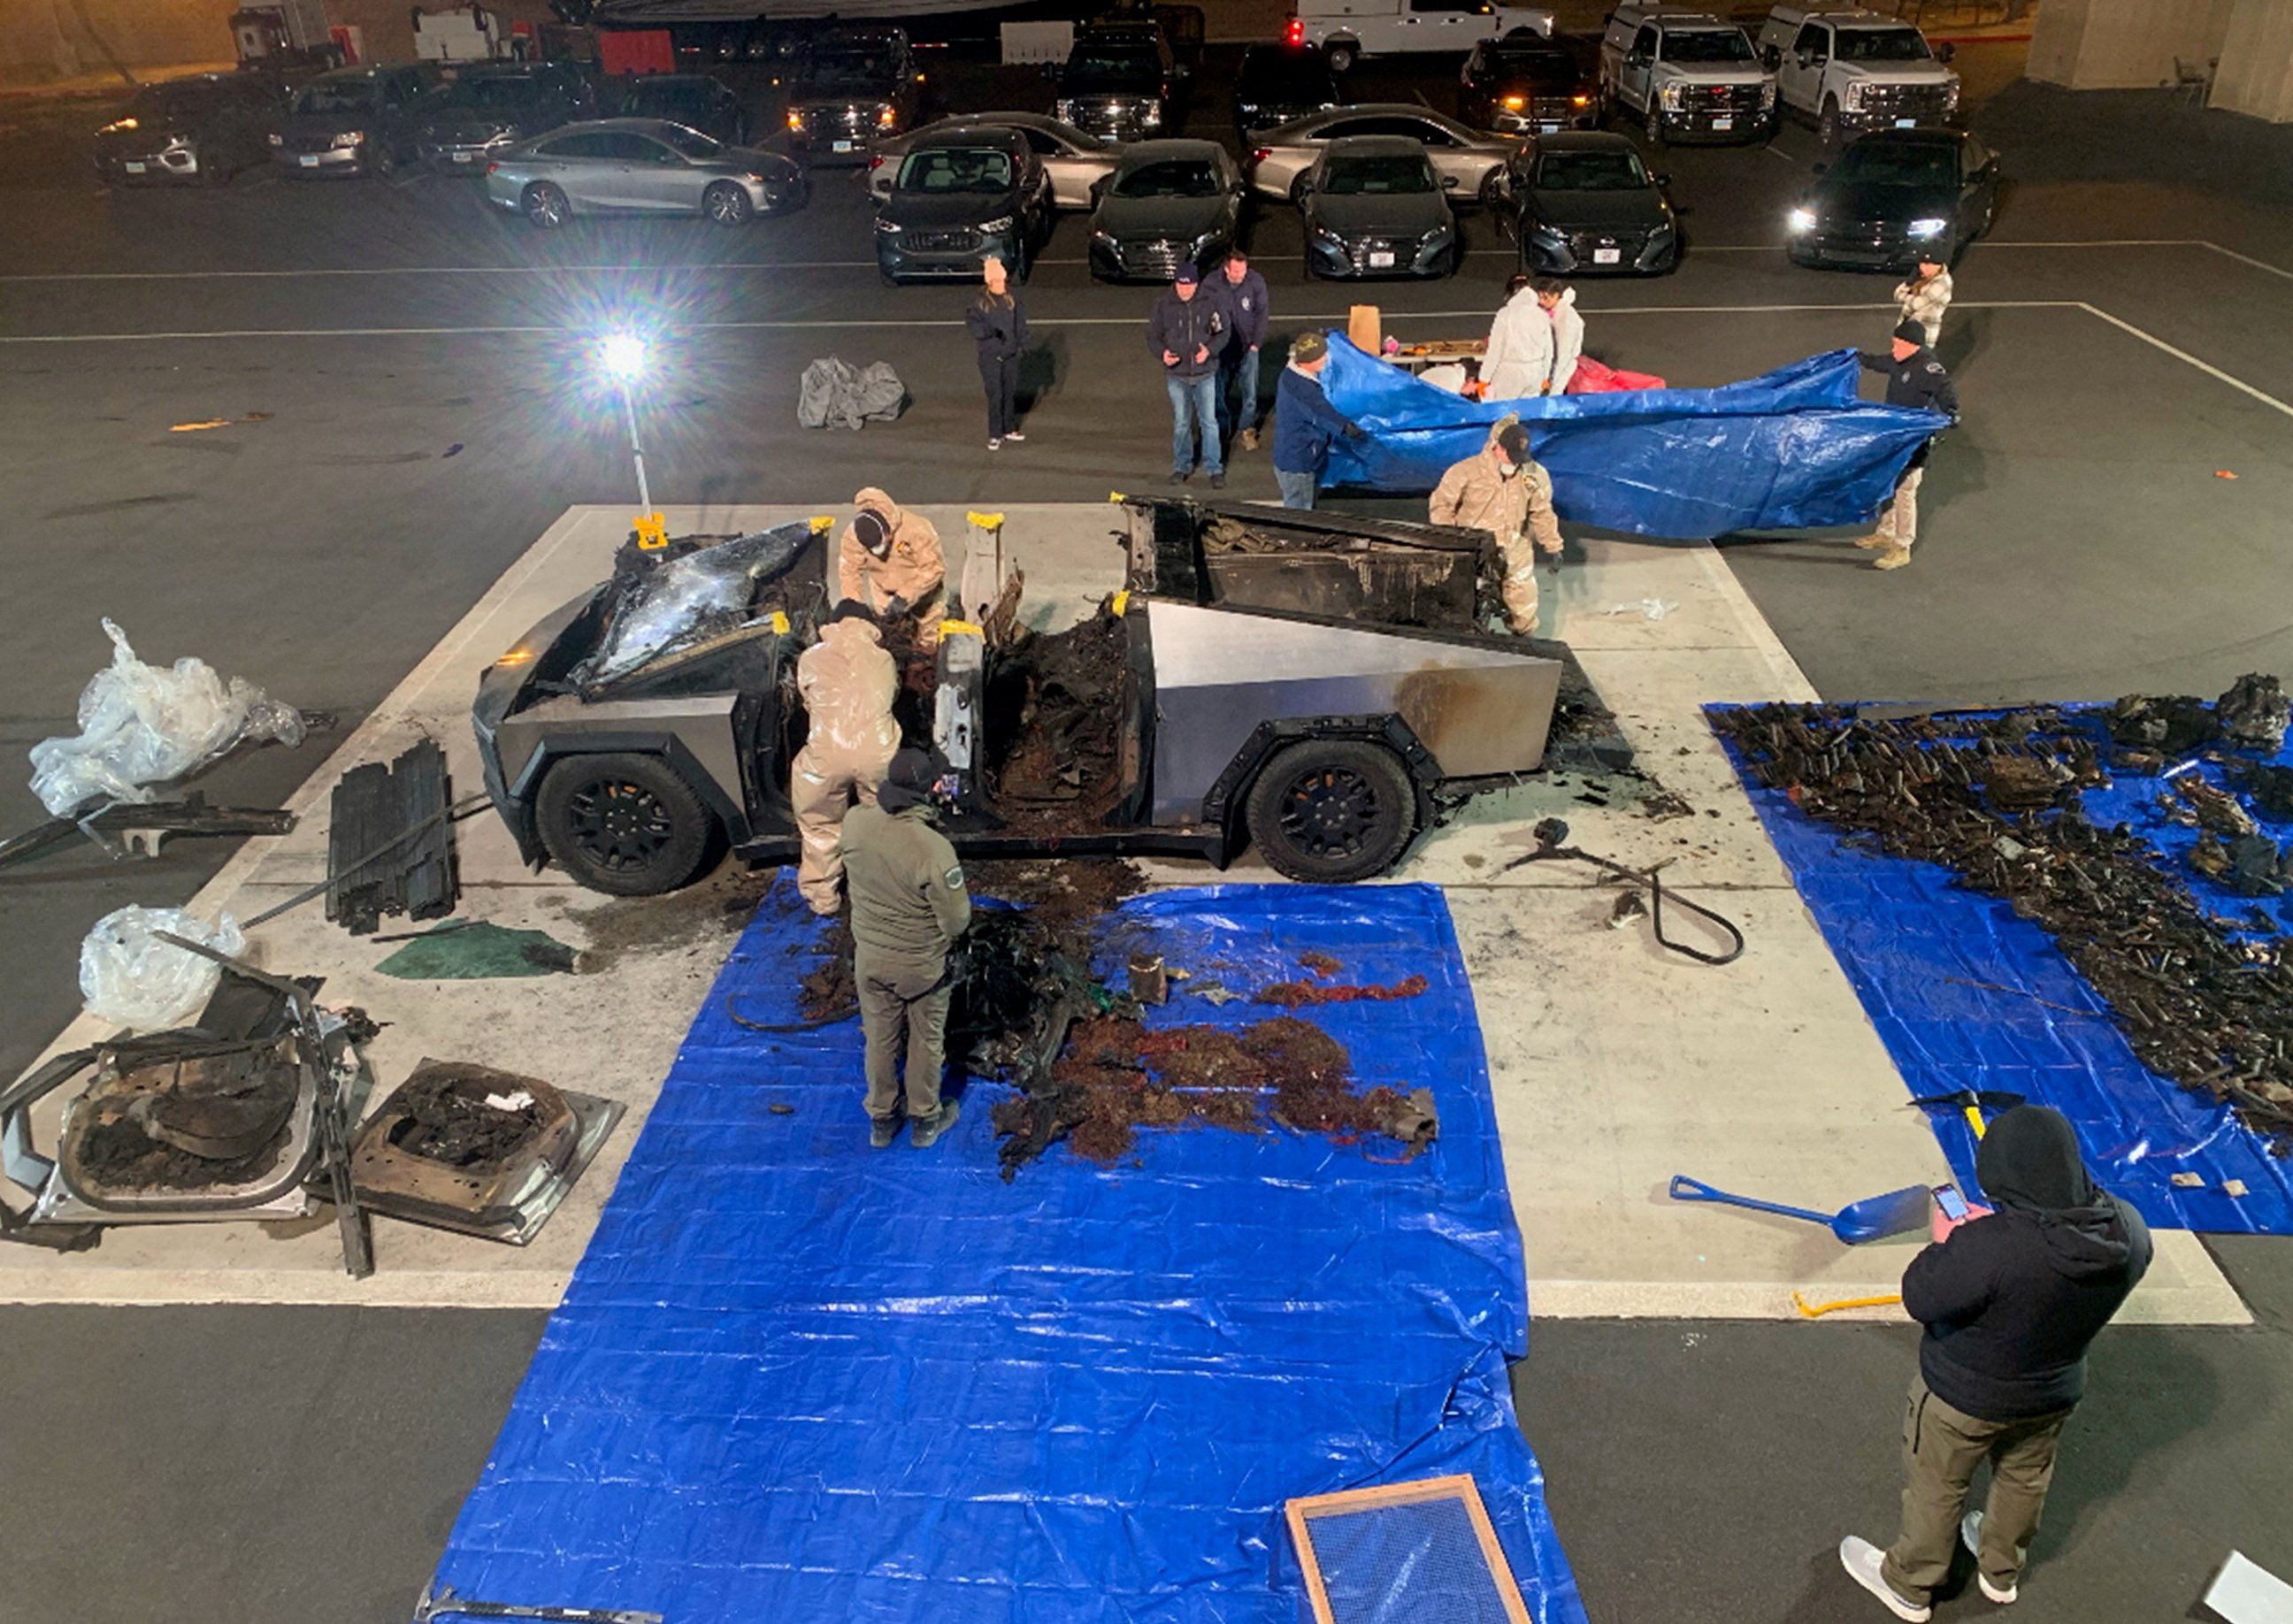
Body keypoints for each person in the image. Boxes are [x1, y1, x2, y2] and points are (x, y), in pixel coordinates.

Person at [1839, 1106, 2151, 1621]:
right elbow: (2041, 1261)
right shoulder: (2129, 1229)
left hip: (1964, 1396)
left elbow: (1922, 1296)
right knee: (2024, 1478)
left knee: (1938, 1486)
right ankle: (2000, 1570)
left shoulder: (1988, 1248)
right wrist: (2003, 1233)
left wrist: (1951, 1243)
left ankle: (1909, 1585)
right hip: (2054, 1393)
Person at [840, 748, 971, 1150]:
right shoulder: (932, 849)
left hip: (871, 960)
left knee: (880, 1038)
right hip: (921, 967)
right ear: (932, 788)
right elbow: (956, 922)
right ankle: (925, 1118)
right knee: (926, 1039)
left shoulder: (855, 823)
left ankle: (881, 1119)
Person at [790, 603, 901, 915]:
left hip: (827, 754)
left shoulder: (811, 656)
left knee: (820, 825)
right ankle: (883, 894)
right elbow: (889, 697)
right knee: (882, 823)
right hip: (878, 754)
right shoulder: (884, 658)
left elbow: (808, 703)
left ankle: (823, 899)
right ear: (868, 625)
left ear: (833, 624)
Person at [1429, 416, 1562, 632]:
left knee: (1523, 605)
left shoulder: (1534, 474)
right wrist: (1450, 541)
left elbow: (1541, 511)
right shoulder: (1465, 472)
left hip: (1515, 548)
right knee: (1467, 604)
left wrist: (1553, 545)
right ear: (1496, 447)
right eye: (1510, 455)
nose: (1514, 462)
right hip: (1474, 549)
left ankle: (1523, 644)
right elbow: (1442, 505)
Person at [1856, 322, 1960, 571]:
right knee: (1889, 485)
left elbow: (1945, 390)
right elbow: (1878, 362)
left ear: (1912, 345)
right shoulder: (1898, 360)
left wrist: (1952, 411)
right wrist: (1858, 358)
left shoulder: (1928, 368)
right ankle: (1886, 532)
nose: (1893, 349)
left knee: (1905, 492)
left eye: (1897, 344)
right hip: (1895, 438)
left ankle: (1902, 547)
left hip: (1914, 443)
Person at [1148, 261, 1229, 486]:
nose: (1185, 290)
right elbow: (1153, 336)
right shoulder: (1163, 305)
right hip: (1177, 375)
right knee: (1182, 423)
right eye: (1181, 285)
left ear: (1196, 284)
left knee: (1209, 422)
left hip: (1205, 374)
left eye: (1189, 285)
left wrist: (1210, 351)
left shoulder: (1211, 303)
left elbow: (1223, 332)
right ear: (1175, 284)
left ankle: (1214, 468)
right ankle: (1181, 466)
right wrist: (1162, 353)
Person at [839, 487, 947, 650]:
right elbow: (849, 572)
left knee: (930, 634)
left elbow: (933, 569)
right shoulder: (853, 537)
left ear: (888, 532)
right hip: (883, 590)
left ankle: (927, 656)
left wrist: (905, 596)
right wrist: (855, 609)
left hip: (923, 590)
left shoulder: (917, 529)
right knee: (888, 637)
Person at [1271, 332, 1367, 510]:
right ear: (1308, 361)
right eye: (1321, 356)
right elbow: (1320, 412)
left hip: (1294, 456)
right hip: (1298, 462)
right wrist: (1345, 427)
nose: (1326, 358)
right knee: (1301, 514)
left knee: (1303, 507)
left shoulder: (1292, 375)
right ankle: (1298, 538)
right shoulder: (1301, 388)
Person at [964, 255, 1028, 450]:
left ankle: (1009, 428)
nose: (1001, 283)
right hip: (990, 356)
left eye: (1002, 279)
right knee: (995, 394)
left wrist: (1023, 345)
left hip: (1010, 354)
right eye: (997, 280)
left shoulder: (1012, 298)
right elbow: (974, 327)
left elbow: (1020, 325)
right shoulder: (979, 302)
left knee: (1009, 392)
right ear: (990, 280)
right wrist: (992, 332)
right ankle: (995, 433)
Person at [1211, 249, 1270, 451]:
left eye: (1243, 271)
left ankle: (1247, 429)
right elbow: (1202, 313)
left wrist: (1256, 343)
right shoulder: (1211, 284)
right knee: (1218, 391)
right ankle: (1222, 430)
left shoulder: (1255, 281)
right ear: (1226, 268)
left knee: (1250, 392)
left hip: (1247, 347)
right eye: (1235, 271)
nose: (1239, 275)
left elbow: (1262, 313)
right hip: (1221, 349)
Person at [1476, 273, 1553, 403]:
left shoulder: (1505, 314)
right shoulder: (1542, 315)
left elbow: (1495, 350)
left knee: (1504, 413)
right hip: (1535, 371)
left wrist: (1484, 378)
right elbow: (1549, 350)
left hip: (1511, 372)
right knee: (1529, 412)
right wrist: (1545, 375)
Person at [1536, 278, 1584, 395]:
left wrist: (1552, 379)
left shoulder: (1566, 318)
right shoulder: (1551, 310)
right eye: (1539, 297)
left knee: (1553, 396)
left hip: (1561, 367)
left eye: (1545, 298)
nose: (1541, 302)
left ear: (1556, 296)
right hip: (1548, 362)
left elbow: (1564, 353)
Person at [1895, 258, 1953, 349]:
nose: (1924, 268)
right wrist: (1909, 283)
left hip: (1923, 333)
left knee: (1917, 362)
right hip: (1905, 328)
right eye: (1922, 264)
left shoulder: (1943, 282)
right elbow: (1897, 295)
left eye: (1928, 265)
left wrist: (1906, 297)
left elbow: (1917, 304)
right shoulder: (1920, 276)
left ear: (1938, 266)